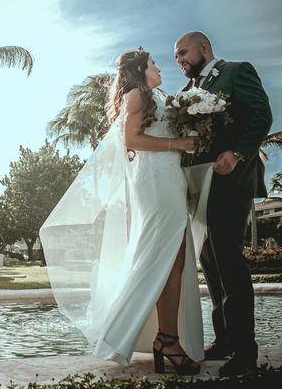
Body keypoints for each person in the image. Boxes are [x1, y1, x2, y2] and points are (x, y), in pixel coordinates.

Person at [41, 48, 202, 375]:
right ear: (142, 69)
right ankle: (143, 336)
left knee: (175, 256)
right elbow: (131, 139)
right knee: (161, 255)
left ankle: (166, 337)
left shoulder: (154, 95)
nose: (160, 69)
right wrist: (178, 144)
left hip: (168, 180)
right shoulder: (137, 95)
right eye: (154, 64)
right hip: (156, 183)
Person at [174, 32, 272, 376]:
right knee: (210, 263)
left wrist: (239, 152)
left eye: (183, 52)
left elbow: (261, 114)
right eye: (175, 57)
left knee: (229, 260)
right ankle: (226, 340)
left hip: (231, 179)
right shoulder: (184, 94)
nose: (179, 59)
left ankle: (246, 352)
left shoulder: (236, 71)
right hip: (198, 186)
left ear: (204, 47)